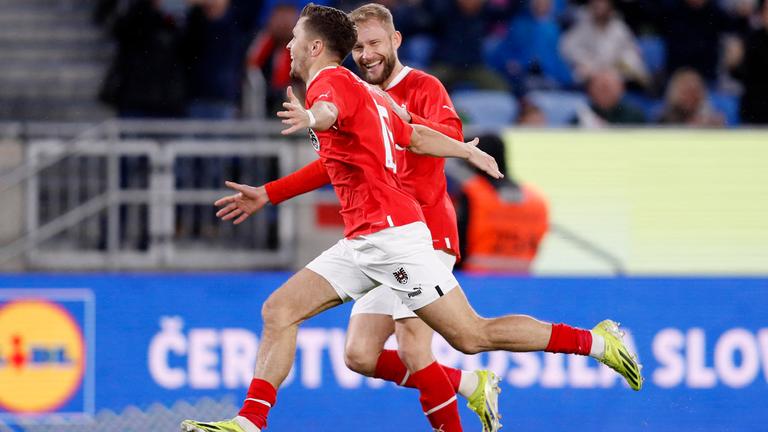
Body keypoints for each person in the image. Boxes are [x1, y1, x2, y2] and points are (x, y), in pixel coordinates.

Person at [181, 5, 643, 432]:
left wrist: (314, 118)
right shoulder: (373, 97)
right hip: (365, 239)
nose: (288, 46)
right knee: (293, 318)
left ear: (319, 46)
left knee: (466, 336)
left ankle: (596, 342)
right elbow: (401, 138)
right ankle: (249, 423)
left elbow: (338, 112)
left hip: (401, 237)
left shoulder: (335, 84)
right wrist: (269, 191)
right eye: (359, 46)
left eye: (295, 38)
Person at [213, 4, 505, 431]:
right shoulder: (360, 92)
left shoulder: (414, 86)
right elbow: (334, 161)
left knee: (427, 344)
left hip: (421, 231)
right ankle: (468, 383)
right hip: (373, 233)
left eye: (374, 44)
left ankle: (577, 347)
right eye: (360, 47)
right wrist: (271, 192)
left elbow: (439, 135)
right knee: (359, 355)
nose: (366, 54)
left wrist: (408, 121)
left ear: (395, 41)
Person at [451, 134, 549, 273]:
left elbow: (458, 237)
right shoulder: (536, 199)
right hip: (522, 279)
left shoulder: (473, 192)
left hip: (474, 280)